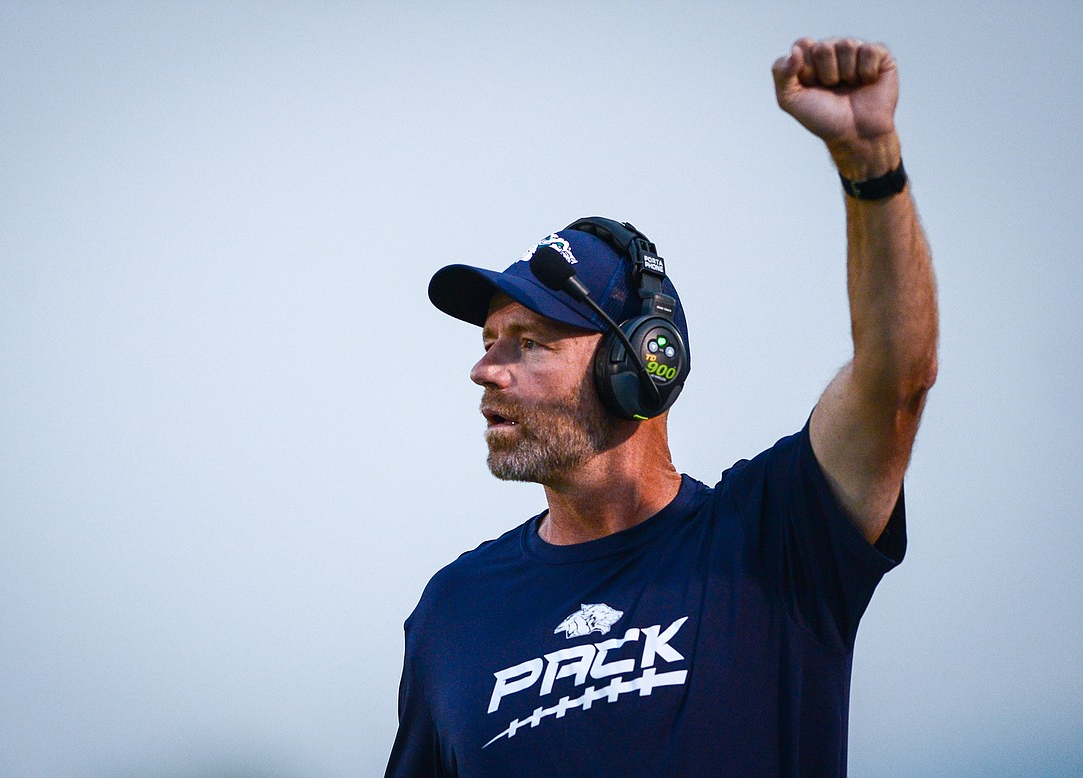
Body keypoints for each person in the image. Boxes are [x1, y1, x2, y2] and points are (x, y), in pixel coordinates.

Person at [385, 36, 938, 777]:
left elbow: (896, 378)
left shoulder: (772, 539)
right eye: (489, 341)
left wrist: (871, 161)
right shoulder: (452, 613)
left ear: (639, 364)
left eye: (529, 343)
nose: (485, 370)